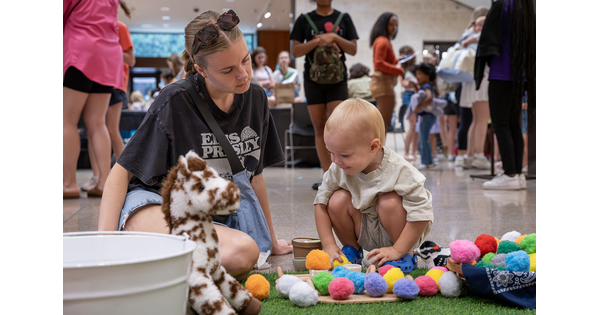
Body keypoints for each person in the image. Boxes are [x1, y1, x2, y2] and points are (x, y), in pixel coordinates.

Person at [98, 9, 292, 281]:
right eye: (228, 69)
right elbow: (120, 173)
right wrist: (103, 248)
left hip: (213, 216)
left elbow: (253, 176)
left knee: (244, 252)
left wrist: (269, 239)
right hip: (158, 205)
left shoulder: (256, 98)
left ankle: (150, 270)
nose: (243, 75)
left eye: (245, 60)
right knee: (233, 254)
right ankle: (140, 268)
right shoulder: (175, 100)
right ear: (200, 69)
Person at [314, 98, 433, 269]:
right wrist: (329, 245)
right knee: (336, 199)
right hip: (364, 227)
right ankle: (352, 251)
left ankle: (406, 256)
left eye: (345, 155)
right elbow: (320, 204)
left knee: (389, 202)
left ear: (373, 147)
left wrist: (397, 249)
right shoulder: (337, 167)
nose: (336, 161)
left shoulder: (400, 170)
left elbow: (422, 213)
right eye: (331, 152)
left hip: (402, 235)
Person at [290, 0, 358, 190]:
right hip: (313, 79)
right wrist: (318, 40)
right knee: (319, 126)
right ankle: (327, 176)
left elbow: (352, 49)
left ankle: (343, 174)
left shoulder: (343, 18)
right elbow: (295, 51)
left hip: (338, 79)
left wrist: (334, 38)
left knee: (338, 125)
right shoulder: (304, 20)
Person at [63, 0, 123, 198]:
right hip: (109, 54)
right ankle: (104, 182)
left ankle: (68, 183)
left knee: (68, 121)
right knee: (98, 123)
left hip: (80, 51)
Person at [476, 0, 535, 190]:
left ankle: (510, 174)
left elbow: (487, 39)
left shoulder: (503, 5)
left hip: (502, 73)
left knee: (500, 124)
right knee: (513, 124)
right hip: (521, 76)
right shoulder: (524, 7)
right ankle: (516, 173)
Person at [82, 2, 136, 193]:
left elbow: (131, 59)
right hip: (95, 79)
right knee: (93, 127)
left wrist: (107, 48)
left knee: (111, 128)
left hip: (115, 83)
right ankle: (97, 176)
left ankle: (126, 174)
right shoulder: (88, 28)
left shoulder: (120, 27)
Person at [456, 8, 491, 170]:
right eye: (478, 25)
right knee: (481, 120)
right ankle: (478, 156)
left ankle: (470, 156)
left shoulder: (468, 36)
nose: (479, 28)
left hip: (473, 81)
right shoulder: (477, 38)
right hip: (481, 79)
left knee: (476, 120)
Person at [369, 12, 404, 133]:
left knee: (384, 123)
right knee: (382, 123)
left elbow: (384, 62)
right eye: (391, 25)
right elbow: (379, 64)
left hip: (385, 84)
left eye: (396, 26)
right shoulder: (382, 41)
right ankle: (377, 151)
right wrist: (399, 70)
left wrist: (396, 61)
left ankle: (379, 150)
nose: (394, 28)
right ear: (384, 25)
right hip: (383, 84)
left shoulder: (383, 41)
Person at [409, 63, 439, 169]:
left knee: (423, 139)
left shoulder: (427, 86)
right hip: (426, 116)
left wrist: (418, 107)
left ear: (428, 75)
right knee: (422, 138)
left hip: (426, 116)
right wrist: (414, 86)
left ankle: (427, 162)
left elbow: (429, 97)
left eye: (420, 73)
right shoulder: (425, 86)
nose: (418, 76)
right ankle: (426, 161)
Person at [398, 45, 418, 161]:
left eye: (403, 53)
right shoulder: (401, 69)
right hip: (408, 96)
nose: (402, 56)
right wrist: (412, 83)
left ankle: (414, 152)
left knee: (416, 126)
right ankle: (406, 152)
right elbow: (404, 84)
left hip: (417, 95)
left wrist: (414, 83)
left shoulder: (416, 68)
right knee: (412, 125)